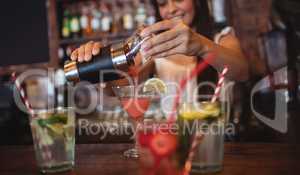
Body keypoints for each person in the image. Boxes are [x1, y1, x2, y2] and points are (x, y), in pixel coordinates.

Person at [70, 0, 249, 113]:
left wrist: (202, 45)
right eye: (162, 3)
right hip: (171, 146)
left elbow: (242, 71)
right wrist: (99, 62)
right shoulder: (153, 48)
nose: (171, 9)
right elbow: (117, 89)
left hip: (218, 144)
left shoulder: (222, 38)